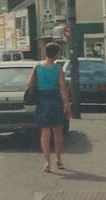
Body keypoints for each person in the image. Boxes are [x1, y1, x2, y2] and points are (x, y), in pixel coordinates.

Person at [26, 42, 73, 173]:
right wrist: (67, 105)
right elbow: (63, 88)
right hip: (56, 100)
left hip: (42, 100)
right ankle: (58, 159)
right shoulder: (58, 69)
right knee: (58, 131)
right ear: (56, 54)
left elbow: (29, 84)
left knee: (45, 132)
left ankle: (47, 162)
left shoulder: (37, 67)